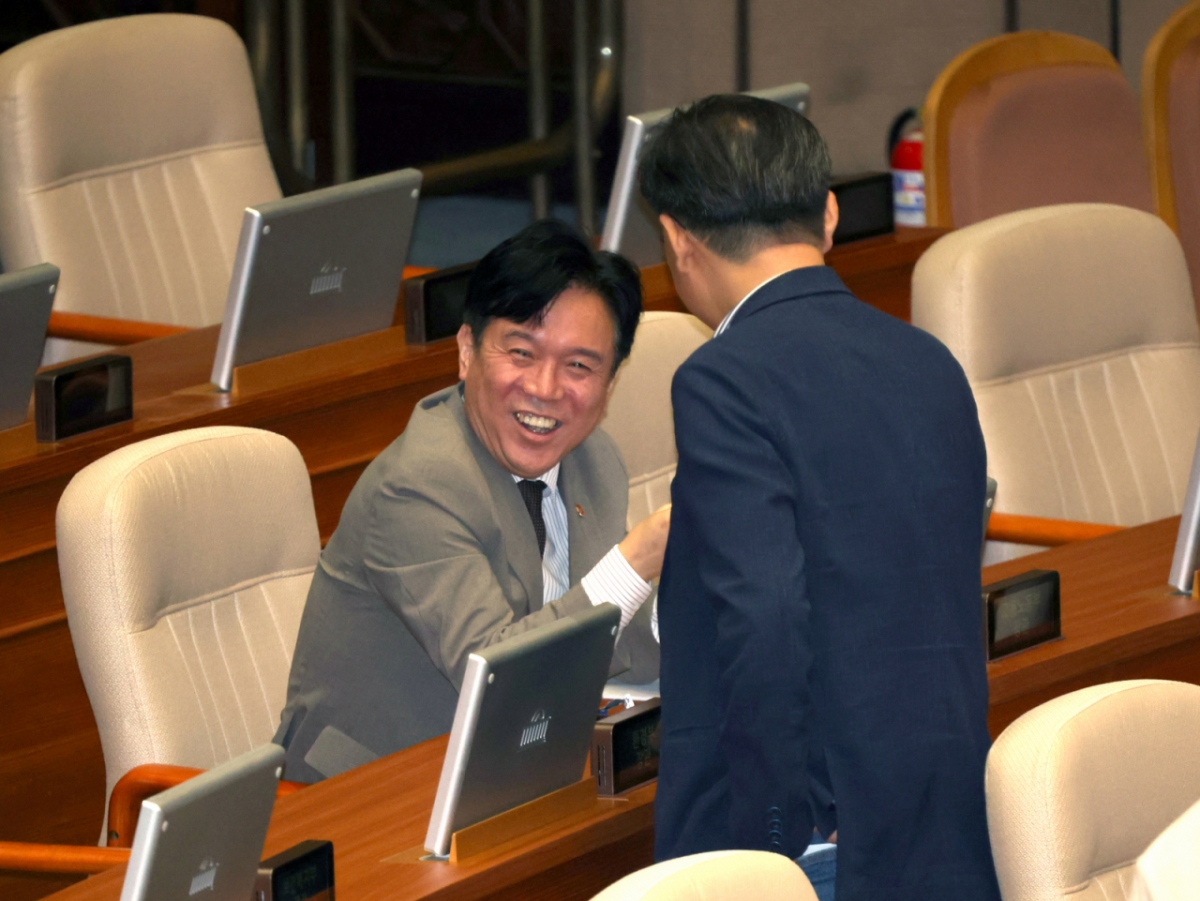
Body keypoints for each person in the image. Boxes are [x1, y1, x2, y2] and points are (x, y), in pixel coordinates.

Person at [639, 95, 1000, 901]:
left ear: (676, 239)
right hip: (940, 819)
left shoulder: (722, 380)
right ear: (830, 216)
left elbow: (765, 617)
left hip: (818, 850)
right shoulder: (927, 359)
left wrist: (772, 837)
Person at [275, 219, 667, 783]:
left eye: (579, 366)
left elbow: (611, 636)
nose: (546, 389)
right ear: (466, 351)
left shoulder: (593, 459)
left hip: (505, 763)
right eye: (522, 353)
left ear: (610, 383)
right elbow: (502, 680)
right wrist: (637, 562)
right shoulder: (418, 487)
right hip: (365, 791)